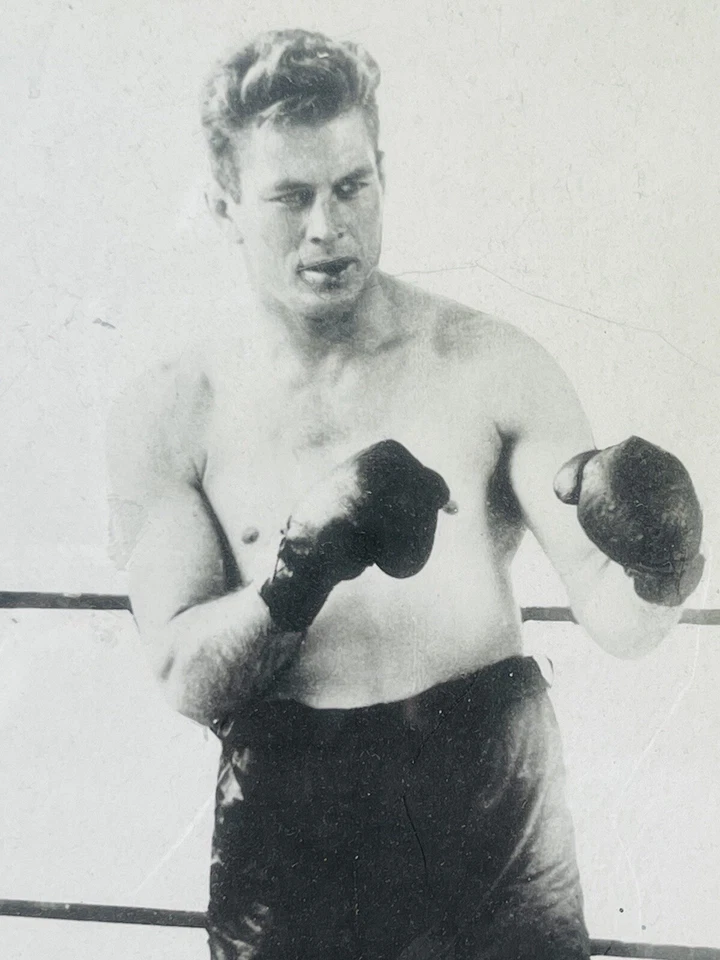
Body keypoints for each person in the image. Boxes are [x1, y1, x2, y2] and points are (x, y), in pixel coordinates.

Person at [106, 29, 705, 960]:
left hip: (491, 805)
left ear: (382, 170)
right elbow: (185, 675)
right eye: (290, 197)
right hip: (292, 821)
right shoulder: (176, 411)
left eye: (350, 186)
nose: (326, 227)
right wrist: (295, 577)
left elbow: (615, 618)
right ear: (224, 205)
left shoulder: (492, 363)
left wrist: (661, 565)